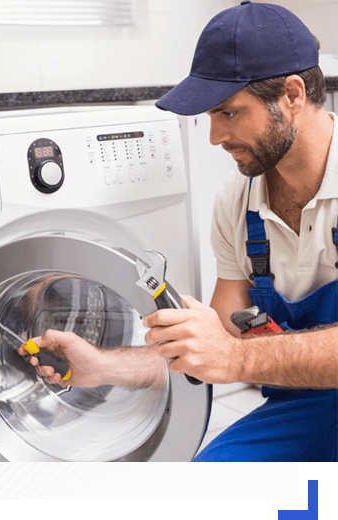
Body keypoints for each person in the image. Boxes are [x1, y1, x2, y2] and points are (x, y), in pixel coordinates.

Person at [19, 1, 338, 462]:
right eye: (209, 116)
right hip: (309, 405)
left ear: (291, 95)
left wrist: (238, 359)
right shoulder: (239, 202)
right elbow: (214, 348)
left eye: (228, 113)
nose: (213, 137)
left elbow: (233, 356)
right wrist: (107, 365)